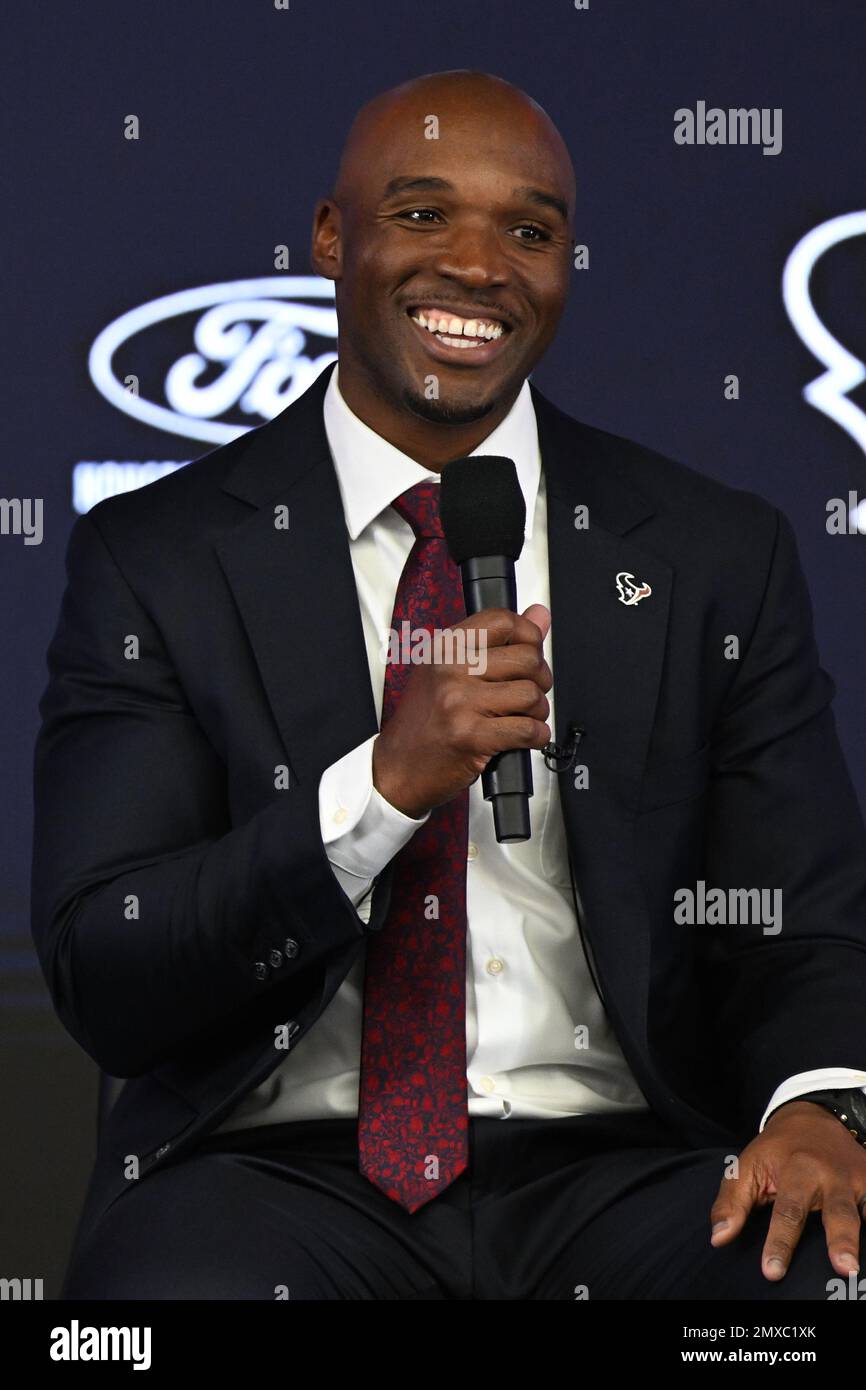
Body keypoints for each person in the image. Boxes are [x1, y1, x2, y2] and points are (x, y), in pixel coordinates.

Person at [31, 69, 866, 1301]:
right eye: (423, 215)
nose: (478, 265)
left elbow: (800, 915)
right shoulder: (157, 558)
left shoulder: (706, 553)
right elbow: (112, 965)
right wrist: (378, 791)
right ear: (330, 237)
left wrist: (819, 1108)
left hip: (629, 1169)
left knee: (819, 1287)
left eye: (527, 232)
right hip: (270, 1178)